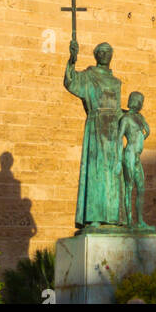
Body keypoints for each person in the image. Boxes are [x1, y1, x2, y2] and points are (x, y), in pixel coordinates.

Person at [63, 39, 123, 228]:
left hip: (113, 131)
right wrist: (72, 60)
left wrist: (130, 123)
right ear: (96, 56)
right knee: (96, 172)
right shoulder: (89, 76)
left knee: (113, 174)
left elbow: (118, 109)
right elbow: (71, 81)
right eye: (101, 52)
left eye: (108, 51)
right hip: (97, 126)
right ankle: (94, 216)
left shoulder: (116, 82)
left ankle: (113, 217)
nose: (105, 54)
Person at [118, 91, 153, 229]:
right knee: (129, 187)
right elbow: (119, 137)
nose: (142, 104)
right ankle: (129, 221)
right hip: (130, 154)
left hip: (137, 156)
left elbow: (147, 131)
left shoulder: (140, 117)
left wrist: (142, 138)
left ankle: (140, 221)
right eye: (140, 101)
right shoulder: (126, 118)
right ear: (135, 101)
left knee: (141, 189)